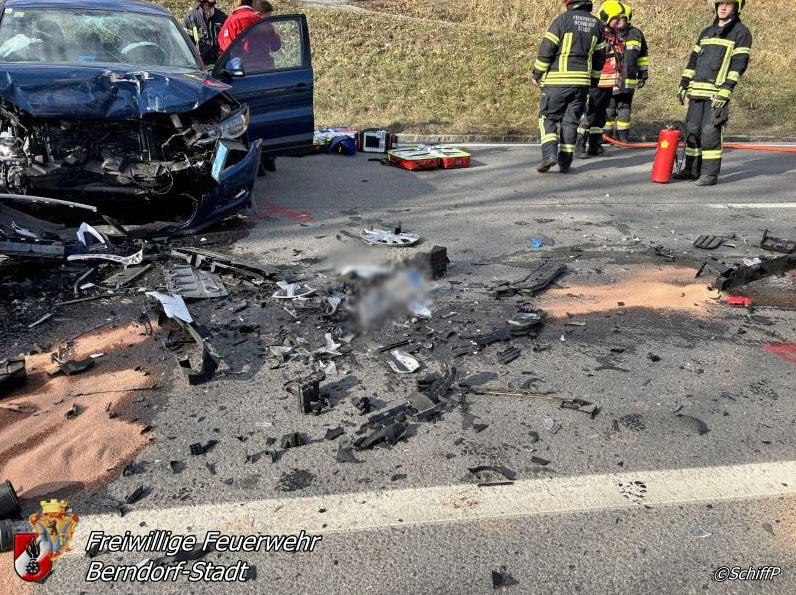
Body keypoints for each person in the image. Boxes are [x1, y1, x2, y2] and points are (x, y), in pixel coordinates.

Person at [674, 0, 752, 186]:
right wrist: (684, 83)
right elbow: (693, 61)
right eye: (720, 4)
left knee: (710, 133)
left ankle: (709, 174)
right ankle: (691, 169)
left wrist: (727, 88)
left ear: (736, 8)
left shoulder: (741, 33)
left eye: (728, 4)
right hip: (696, 91)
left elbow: (739, 63)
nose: (723, 8)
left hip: (716, 94)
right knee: (692, 131)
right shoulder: (706, 32)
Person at [531, 0, 606, 173]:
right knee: (570, 122)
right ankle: (565, 162)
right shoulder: (597, 24)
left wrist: (537, 73)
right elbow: (599, 57)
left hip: (557, 81)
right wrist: (593, 80)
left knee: (547, 118)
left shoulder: (562, 20)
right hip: (581, 83)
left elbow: (547, 48)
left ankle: (549, 155)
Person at [576, 1, 625, 158]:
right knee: (591, 112)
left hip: (609, 80)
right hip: (597, 79)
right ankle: (580, 144)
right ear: (607, 16)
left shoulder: (613, 33)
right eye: (616, 18)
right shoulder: (597, 31)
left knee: (601, 113)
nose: (619, 21)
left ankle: (595, 145)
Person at [603, 2, 648, 142]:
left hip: (628, 79)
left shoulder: (636, 34)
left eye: (621, 18)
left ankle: (622, 136)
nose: (618, 21)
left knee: (625, 107)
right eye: (616, 18)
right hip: (611, 78)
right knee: (609, 107)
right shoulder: (609, 34)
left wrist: (643, 74)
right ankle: (605, 135)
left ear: (627, 19)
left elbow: (642, 56)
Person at [184, 0, 227, 66]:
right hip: (199, 67)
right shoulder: (190, 18)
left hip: (218, 66)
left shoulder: (222, 17)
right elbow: (185, 47)